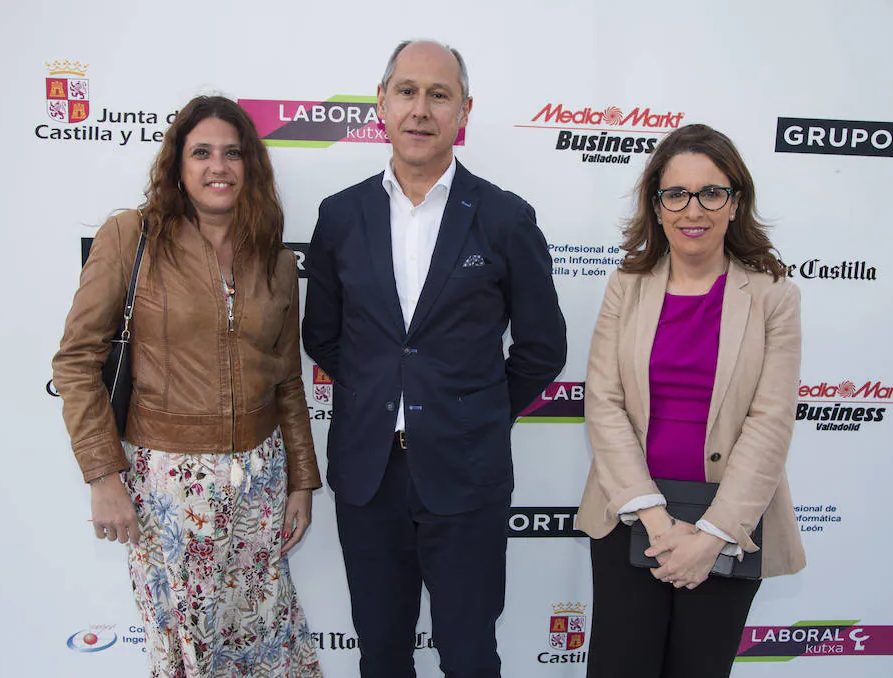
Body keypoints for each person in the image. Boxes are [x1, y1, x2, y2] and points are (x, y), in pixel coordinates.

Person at [302, 40, 567, 678]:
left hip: (466, 475)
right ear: (382, 104)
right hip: (369, 477)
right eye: (407, 91)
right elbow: (323, 336)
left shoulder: (505, 218)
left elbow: (542, 347)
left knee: (469, 654)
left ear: (463, 111)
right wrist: (382, 389)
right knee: (383, 653)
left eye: (439, 94)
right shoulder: (340, 216)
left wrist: (471, 411)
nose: (421, 109)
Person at [53, 95, 323, 678]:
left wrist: (301, 480)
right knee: (187, 653)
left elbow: (287, 381)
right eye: (201, 153)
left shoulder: (274, 259)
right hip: (166, 490)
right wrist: (104, 475)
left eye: (232, 153)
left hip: (259, 483)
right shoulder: (132, 236)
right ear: (178, 164)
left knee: (268, 650)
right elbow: (76, 361)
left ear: (250, 165)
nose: (217, 167)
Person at [576, 123, 806, 678]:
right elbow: (603, 403)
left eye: (711, 192)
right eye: (675, 194)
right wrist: (656, 521)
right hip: (629, 517)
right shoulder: (625, 286)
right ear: (656, 207)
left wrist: (709, 538)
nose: (692, 208)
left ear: (735, 202)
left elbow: (770, 423)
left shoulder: (775, 296)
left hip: (729, 526)